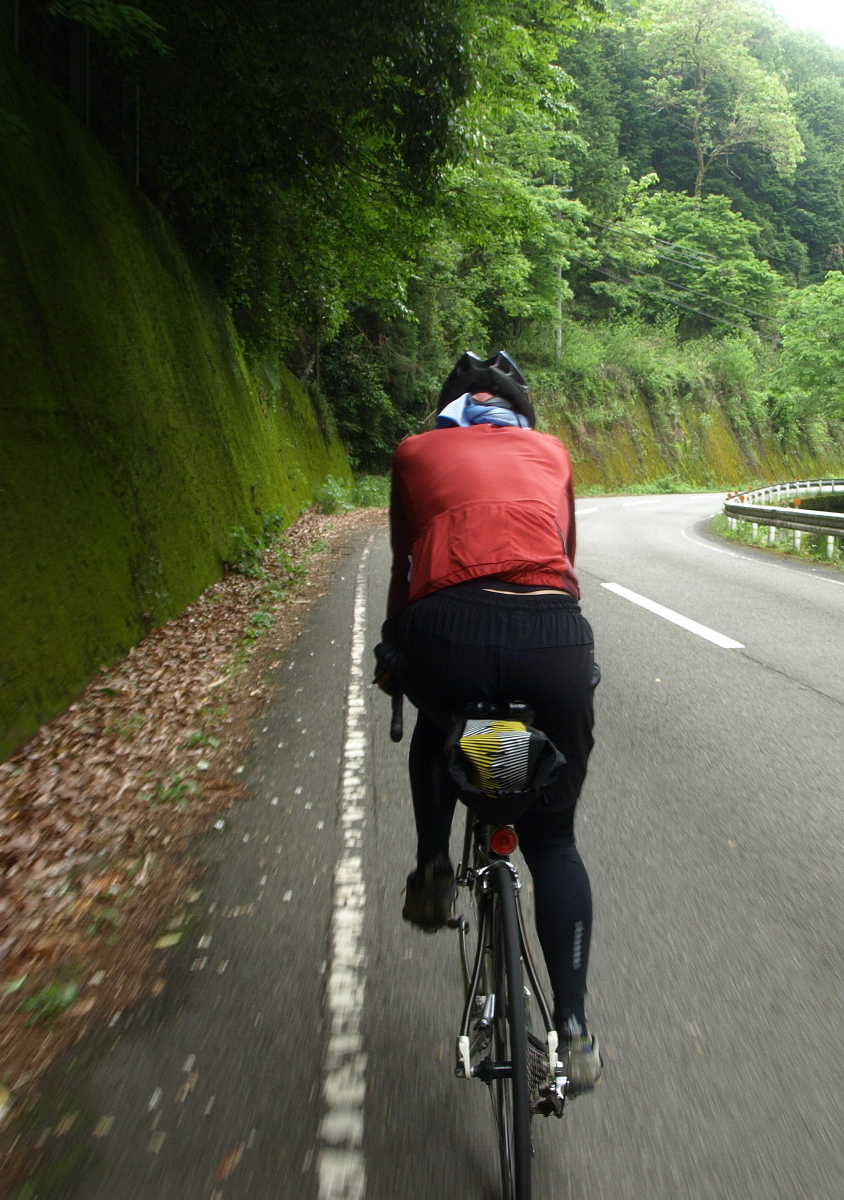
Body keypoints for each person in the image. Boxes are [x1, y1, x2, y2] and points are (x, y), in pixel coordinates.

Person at [375, 350, 602, 1095]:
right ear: (520, 415)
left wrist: (394, 656)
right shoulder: (553, 453)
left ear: (450, 413)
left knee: (439, 728)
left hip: (447, 631)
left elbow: (405, 567)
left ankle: (432, 867)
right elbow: (564, 561)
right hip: (552, 634)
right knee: (554, 839)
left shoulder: (415, 453)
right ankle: (574, 1029)